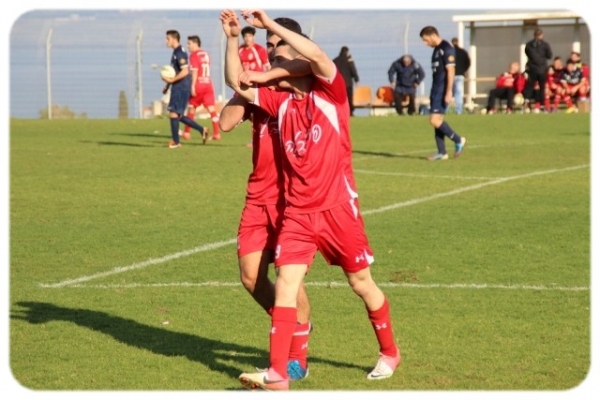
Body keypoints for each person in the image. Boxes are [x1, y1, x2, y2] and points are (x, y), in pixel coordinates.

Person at [221, 9, 401, 390]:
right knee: (286, 283)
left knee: (361, 283)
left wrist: (269, 27)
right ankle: (278, 374)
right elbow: (235, 81)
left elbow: (316, 57)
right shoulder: (280, 104)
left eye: (281, 54)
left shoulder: (331, 94)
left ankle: (389, 351)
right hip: (298, 214)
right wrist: (234, 39)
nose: (274, 60)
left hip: (338, 209)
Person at [218, 16, 313, 382]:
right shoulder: (260, 88)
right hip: (258, 198)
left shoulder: (305, 84)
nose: (271, 51)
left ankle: (296, 358)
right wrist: (243, 84)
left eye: (278, 44)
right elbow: (226, 123)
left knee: (290, 279)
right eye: (268, 45)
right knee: (250, 278)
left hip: (294, 201)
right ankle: (294, 327)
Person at [419, 26, 466, 161]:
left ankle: (458, 139)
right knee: (437, 120)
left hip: (442, 89)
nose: (425, 43)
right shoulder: (436, 50)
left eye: (426, 40)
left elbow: (451, 70)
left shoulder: (446, 48)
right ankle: (442, 152)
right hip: (436, 89)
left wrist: (448, 91)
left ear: (433, 35)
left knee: (434, 120)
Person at [161, 30, 208, 148]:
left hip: (181, 87)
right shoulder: (176, 52)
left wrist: (171, 81)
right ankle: (202, 129)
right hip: (179, 86)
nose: (166, 41)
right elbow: (175, 72)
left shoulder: (180, 52)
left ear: (174, 39)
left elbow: (185, 71)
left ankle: (176, 142)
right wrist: (167, 86)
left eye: (168, 39)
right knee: (177, 115)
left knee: (173, 113)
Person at [182, 35, 220, 143]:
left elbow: (195, 71)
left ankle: (187, 132)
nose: (188, 46)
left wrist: (192, 86)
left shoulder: (193, 55)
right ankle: (216, 133)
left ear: (195, 43)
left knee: (191, 108)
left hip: (198, 84)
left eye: (189, 43)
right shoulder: (205, 54)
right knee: (212, 110)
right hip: (208, 83)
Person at [239, 26, 271, 147]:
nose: (248, 38)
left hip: (257, 85)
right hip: (244, 85)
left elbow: (268, 66)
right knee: (246, 112)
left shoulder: (259, 49)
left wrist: (270, 81)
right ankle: (259, 134)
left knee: (257, 113)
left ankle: (256, 140)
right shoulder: (240, 50)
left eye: (250, 36)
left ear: (253, 37)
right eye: (245, 36)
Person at [523, 28, 553, 113]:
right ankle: (542, 105)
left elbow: (527, 53)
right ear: (541, 35)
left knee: (530, 86)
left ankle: (526, 102)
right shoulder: (545, 45)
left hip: (532, 68)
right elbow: (549, 55)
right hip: (542, 69)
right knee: (542, 87)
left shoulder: (529, 45)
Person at [333, 46, 360, 116]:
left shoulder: (335, 60)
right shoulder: (349, 60)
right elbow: (353, 70)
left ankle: (340, 112)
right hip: (348, 84)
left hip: (338, 83)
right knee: (349, 99)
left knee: (339, 99)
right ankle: (350, 112)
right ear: (347, 52)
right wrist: (356, 80)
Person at [450, 37, 471, 115]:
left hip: (451, 75)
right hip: (460, 75)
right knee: (458, 93)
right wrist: (463, 70)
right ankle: (458, 110)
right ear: (458, 42)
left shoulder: (450, 52)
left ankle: (445, 109)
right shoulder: (463, 52)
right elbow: (468, 63)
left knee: (449, 92)